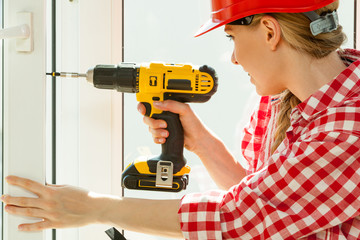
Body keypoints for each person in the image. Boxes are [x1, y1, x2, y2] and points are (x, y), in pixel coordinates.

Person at [2, 0, 360, 239]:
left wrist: (93, 207)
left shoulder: (348, 128)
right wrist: (201, 142)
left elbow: (240, 219)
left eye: (232, 36)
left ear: (269, 31)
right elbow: (271, 204)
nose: (233, 58)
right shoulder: (278, 98)